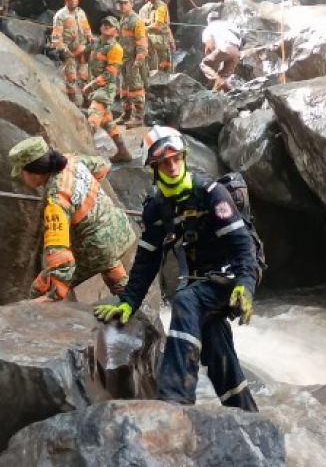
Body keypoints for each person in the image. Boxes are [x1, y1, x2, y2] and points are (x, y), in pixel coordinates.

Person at [95, 127, 259, 411]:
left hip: (234, 277)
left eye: (176, 159)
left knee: (185, 300)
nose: (172, 167)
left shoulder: (212, 193)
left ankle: (175, 399)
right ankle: (245, 413)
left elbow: (243, 245)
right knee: (215, 342)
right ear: (154, 168)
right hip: (201, 280)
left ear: (184, 158)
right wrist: (129, 302)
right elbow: (147, 259)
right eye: (164, 163)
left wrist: (246, 284)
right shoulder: (156, 206)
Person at [8, 136, 137, 302]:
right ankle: (129, 299)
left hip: (96, 247)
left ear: (34, 171)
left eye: (22, 172)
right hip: (120, 230)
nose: (21, 177)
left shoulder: (56, 200)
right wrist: (82, 192)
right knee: (110, 266)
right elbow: (102, 166)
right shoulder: (71, 161)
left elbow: (60, 256)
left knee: (40, 287)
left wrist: (56, 292)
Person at [81, 17, 134, 163]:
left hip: (105, 89)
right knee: (107, 121)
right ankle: (123, 152)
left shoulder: (116, 49)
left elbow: (110, 73)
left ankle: (84, 155)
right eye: (104, 24)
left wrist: (91, 85)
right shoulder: (96, 42)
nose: (105, 26)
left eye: (109, 25)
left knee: (92, 119)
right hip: (96, 87)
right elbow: (83, 52)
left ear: (116, 31)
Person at [51, 0, 94, 106]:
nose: (73, 1)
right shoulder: (60, 15)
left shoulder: (81, 13)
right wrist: (62, 49)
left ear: (78, 0)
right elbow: (56, 35)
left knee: (84, 76)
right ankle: (72, 101)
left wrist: (90, 36)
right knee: (71, 77)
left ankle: (87, 100)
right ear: (66, 0)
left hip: (82, 48)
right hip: (69, 50)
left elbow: (86, 28)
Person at [116, 0, 148, 126]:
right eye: (121, 3)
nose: (122, 6)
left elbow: (141, 42)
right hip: (123, 58)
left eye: (125, 3)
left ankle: (138, 117)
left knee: (136, 87)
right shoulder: (123, 19)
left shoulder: (136, 20)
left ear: (131, 4)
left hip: (133, 59)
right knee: (124, 87)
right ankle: (126, 113)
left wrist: (139, 60)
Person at [201, 11, 241, 92]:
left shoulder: (209, 28)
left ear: (209, 20)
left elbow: (209, 46)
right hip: (236, 52)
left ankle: (220, 81)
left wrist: (211, 57)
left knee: (204, 65)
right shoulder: (230, 25)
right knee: (223, 76)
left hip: (225, 48)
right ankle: (219, 92)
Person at [139, 0, 174, 72]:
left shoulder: (161, 7)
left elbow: (160, 26)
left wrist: (171, 40)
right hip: (151, 44)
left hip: (161, 43)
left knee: (165, 70)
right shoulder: (144, 9)